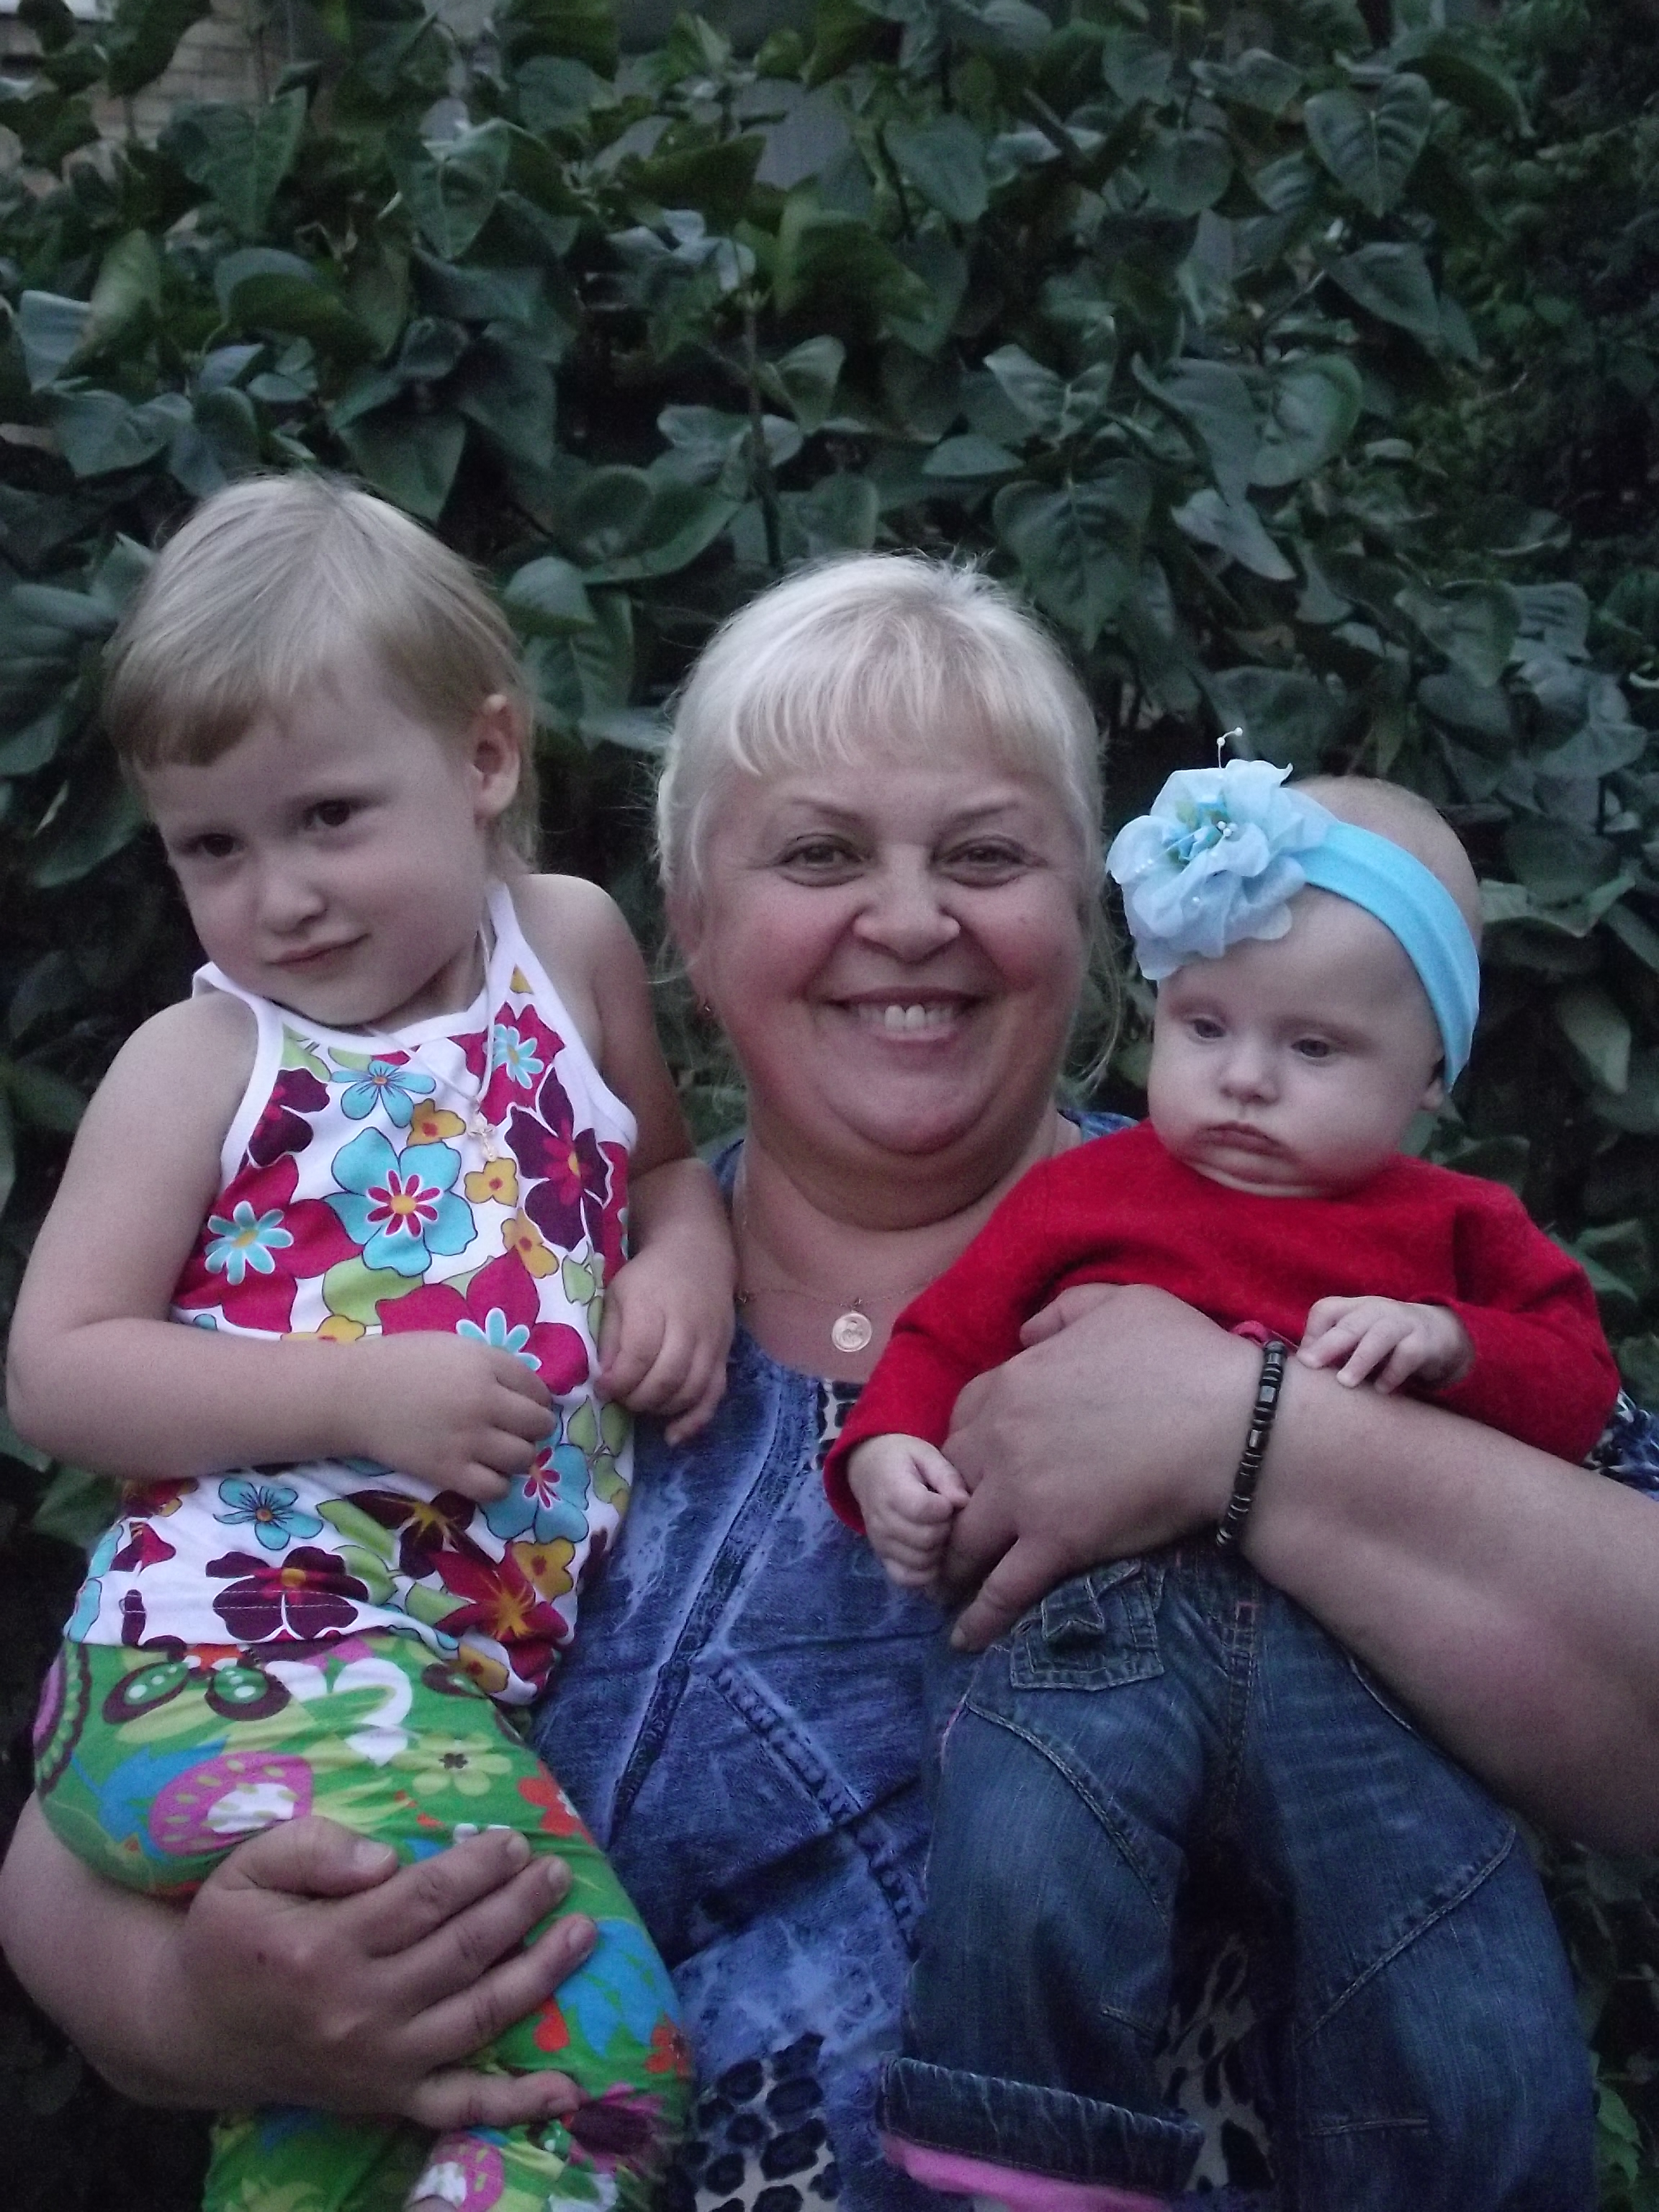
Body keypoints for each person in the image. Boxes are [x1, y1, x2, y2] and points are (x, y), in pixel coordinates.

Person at [6, 556, 1659, 2212]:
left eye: (986, 856)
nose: (912, 919)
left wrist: (1257, 1434)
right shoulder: (522, 1304)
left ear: (1085, 917)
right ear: (692, 924)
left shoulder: (1333, 1264)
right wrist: (200, 2010)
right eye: (818, 855)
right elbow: (93, 1817)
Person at [4, 475, 736, 2212]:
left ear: (483, 756)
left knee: (349, 2128)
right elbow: (55, 1367)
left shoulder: (567, 947)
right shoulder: (205, 1064)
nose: (280, 898)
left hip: (430, 1692)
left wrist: (688, 1264)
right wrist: (351, 1390)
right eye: (214, 848)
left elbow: (663, 1169)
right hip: (237, 1653)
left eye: (328, 817)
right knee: (592, 2074)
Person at [827, 762, 1617, 2209]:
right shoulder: (1088, 1194)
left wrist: (1455, 1345)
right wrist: (886, 1453)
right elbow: (942, 1337)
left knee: (1450, 1967)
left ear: (1429, 1076)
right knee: (1029, 1854)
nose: (1245, 1079)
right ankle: (1022, 2162)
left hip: (1368, 1667)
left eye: (1313, 1047)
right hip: (1100, 1631)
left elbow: (1576, 1384)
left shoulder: (1457, 1228)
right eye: (1205, 1027)